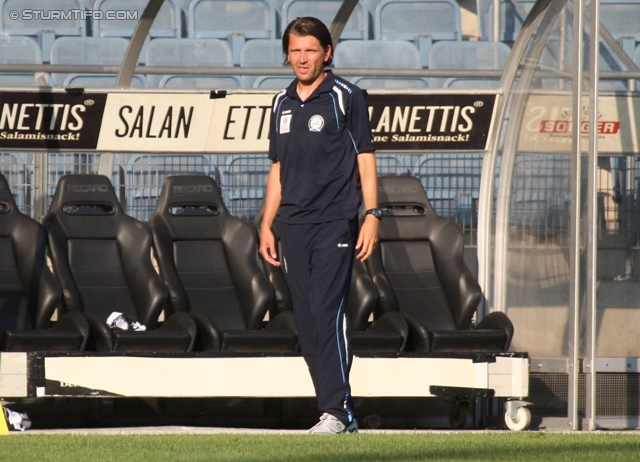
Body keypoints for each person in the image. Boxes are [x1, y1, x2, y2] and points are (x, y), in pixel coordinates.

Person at [259, 17, 382, 435]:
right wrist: (266, 224)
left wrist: (371, 214)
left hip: (335, 222)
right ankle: (332, 410)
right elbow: (278, 168)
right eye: (295, 51)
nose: (302, 58)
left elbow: (365, 157)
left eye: (310, 50)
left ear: (327, 53)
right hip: (292, 225)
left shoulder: (346, 96)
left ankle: (338, 410)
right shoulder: (280, 102)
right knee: (308, 322)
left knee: (328, 313)